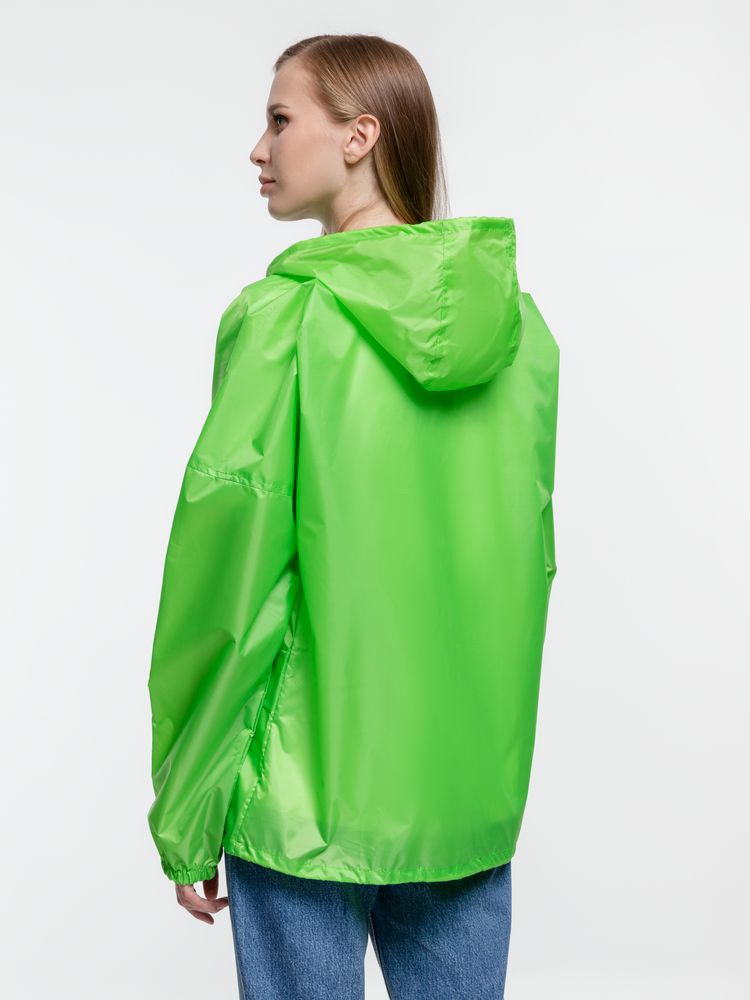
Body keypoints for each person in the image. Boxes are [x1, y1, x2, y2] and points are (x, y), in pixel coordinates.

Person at [147, 32, 559, 1000]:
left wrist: (189, 804)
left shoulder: (284, 322)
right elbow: (526, 565)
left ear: (358, 136)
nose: (259, 148)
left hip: (303, 796)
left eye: (280, 119)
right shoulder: (522, 334)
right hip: (464, 796)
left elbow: (229, 578)